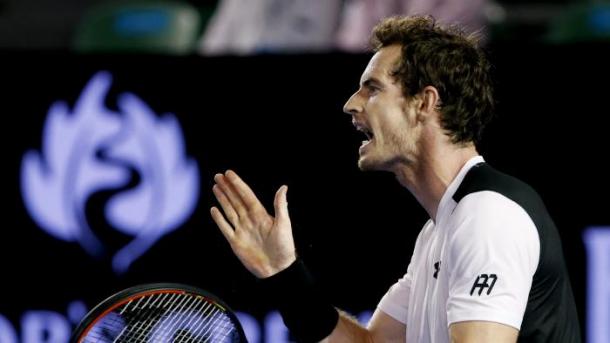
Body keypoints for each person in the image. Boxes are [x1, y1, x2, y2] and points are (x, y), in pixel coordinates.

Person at [210, 15, 581, 342]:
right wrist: (286, 275)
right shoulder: (438, 231)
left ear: (424, 102)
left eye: (372, 88)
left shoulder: (487, 216)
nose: (351, 103)